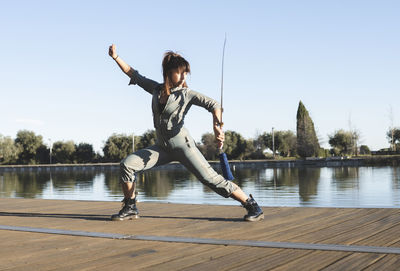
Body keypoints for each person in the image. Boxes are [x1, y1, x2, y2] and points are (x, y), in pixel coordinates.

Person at [108, 44, 264, 222]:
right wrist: (115, 57)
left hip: (184, 146)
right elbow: (133, 74)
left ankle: (252, 206)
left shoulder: (186, 94)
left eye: (186, 73)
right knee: (127, 164)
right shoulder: (156, 90)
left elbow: (214, 105)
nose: (184, 76)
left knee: (212, 180)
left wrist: (216, 126)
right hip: (162, 148)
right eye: (180, 72)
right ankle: (130, 207)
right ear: (168, 73)